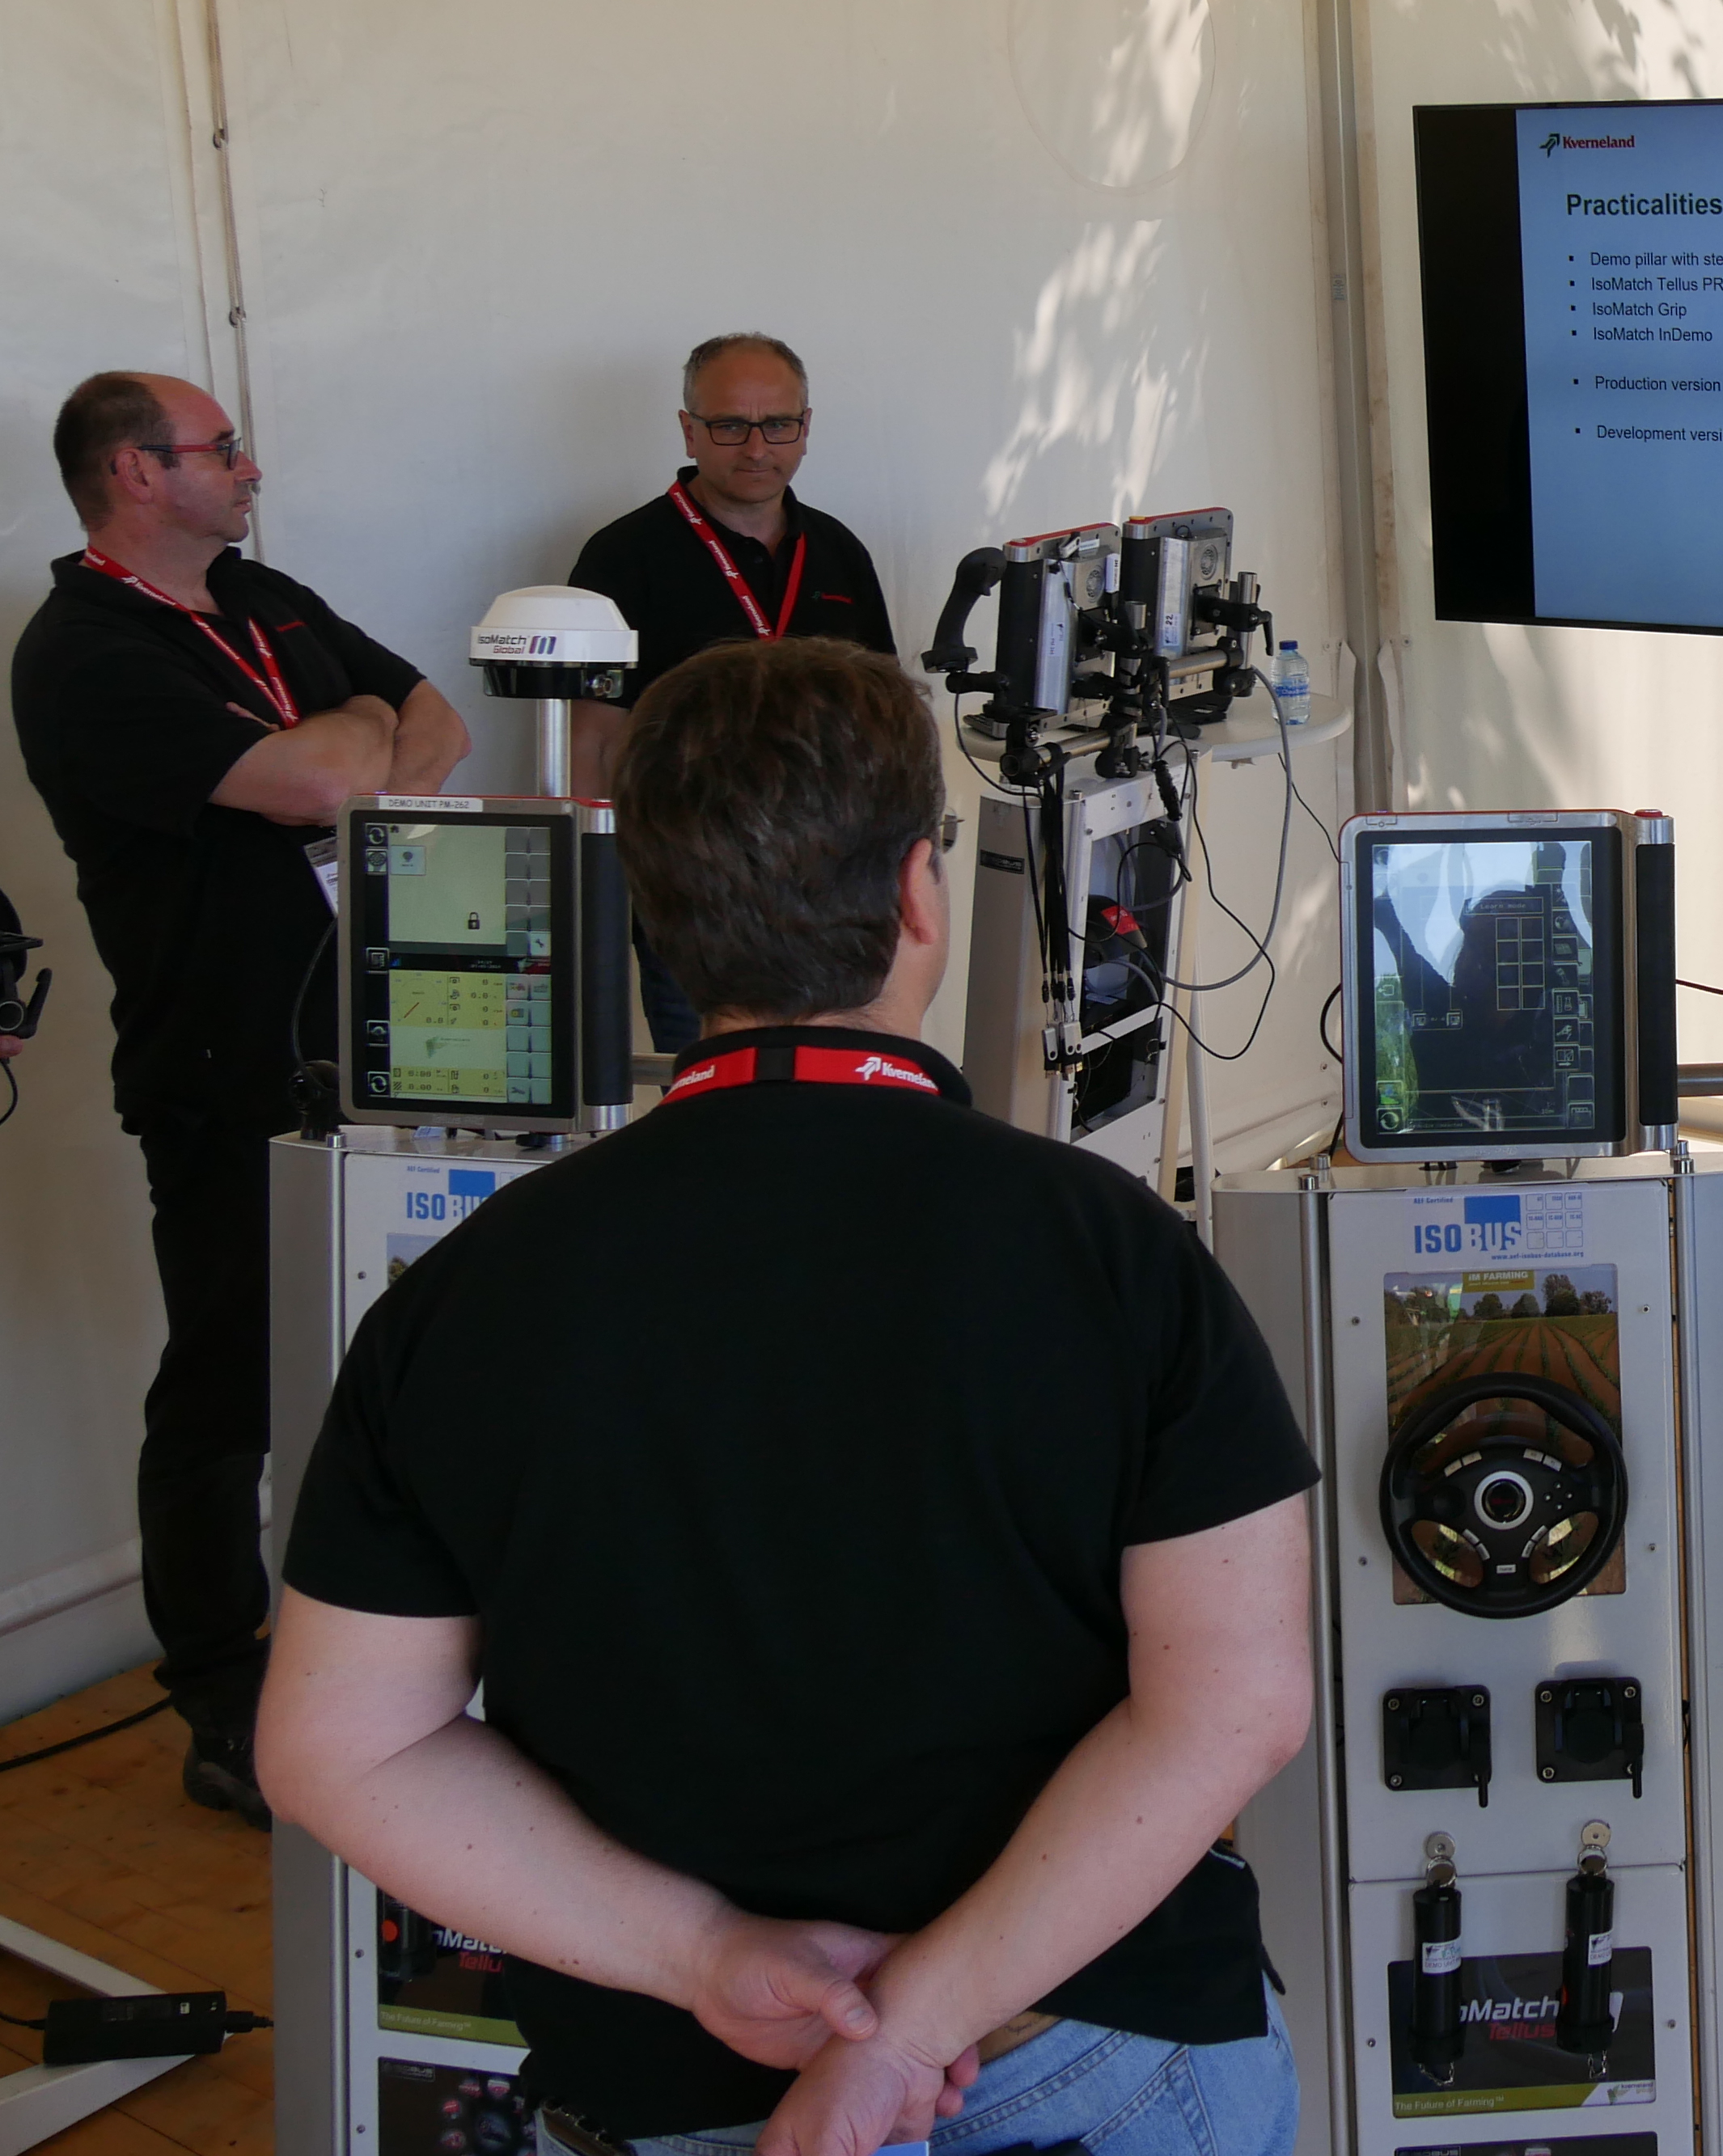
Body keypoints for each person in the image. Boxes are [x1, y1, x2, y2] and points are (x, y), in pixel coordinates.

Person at [256, 639, 1318, 2156]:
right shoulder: (1117, 1253)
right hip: (1090, 2058)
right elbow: (1235, 1704)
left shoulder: (457, 1296)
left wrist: (706, 1953)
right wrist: (914, 2028)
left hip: (683, 2079)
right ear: (918, 895)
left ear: (656, 921)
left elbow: (337, 1748)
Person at [11, 371, 468, 1824]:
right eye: (221, 449)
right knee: (230, 1387)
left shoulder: (261, 596)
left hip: (386, 1043)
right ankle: (221, 1692)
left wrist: (348, 739)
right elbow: (313, 780)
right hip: (224, 1076)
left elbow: (436, 723)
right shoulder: (85, 651)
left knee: (408, 1349)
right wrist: (350, 731)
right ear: (135, 473)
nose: (251, 466)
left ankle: (398, 1654)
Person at [565, 332, 895, 1048]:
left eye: (778, 425)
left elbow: (884, 722)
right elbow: (591, 740)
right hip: (693, 890)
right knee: (713, 1080)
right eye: (729, 426)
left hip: (834, 887)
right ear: (689, 430)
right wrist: (597, 889)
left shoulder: (838, 552)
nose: (756, 448)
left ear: (806, 427)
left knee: (831, 1078)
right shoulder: (621, 557)